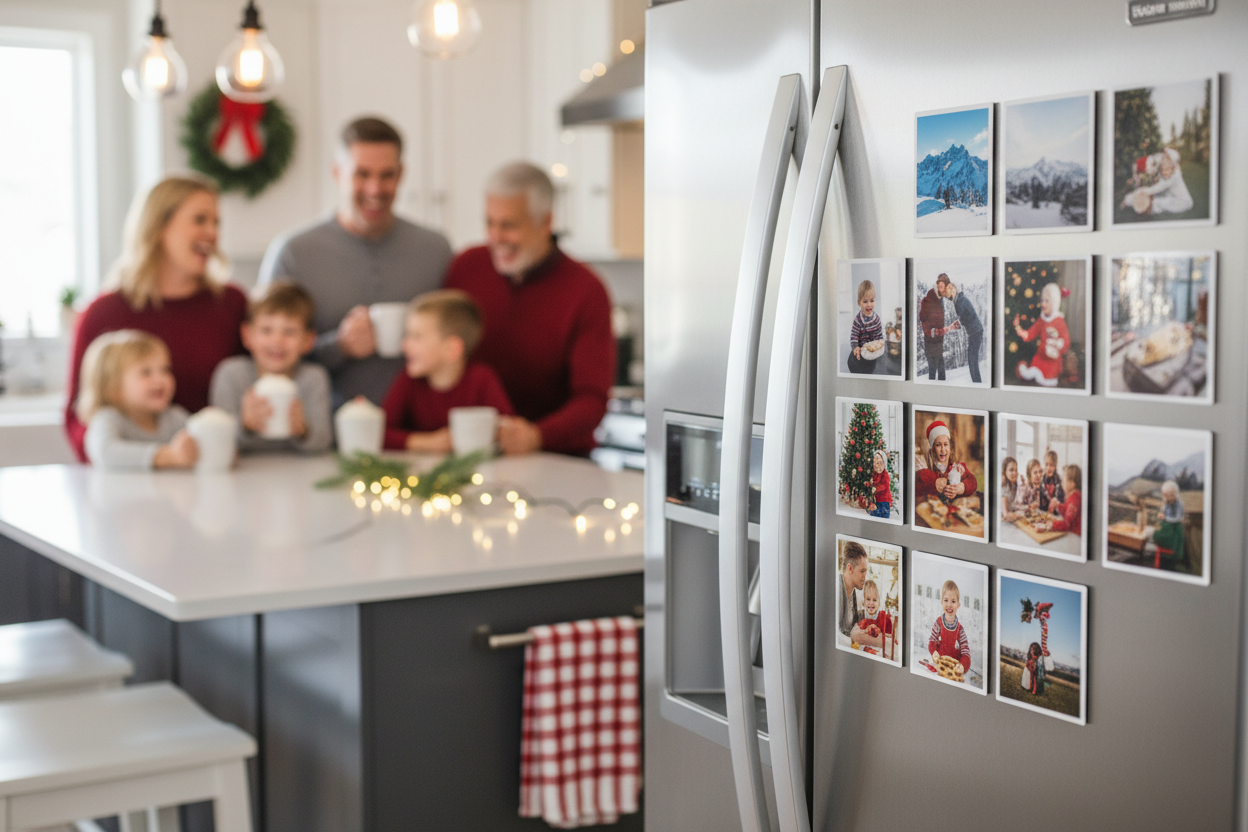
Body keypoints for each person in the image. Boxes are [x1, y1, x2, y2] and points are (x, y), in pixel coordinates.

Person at [257, 117, 454, 406]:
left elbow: (457, 346)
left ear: (401, 175)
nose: (375, 189)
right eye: (362, 174)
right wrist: (340, 346)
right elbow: (265, 356)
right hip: (325, 435)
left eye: (387, 175)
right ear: (337, 173)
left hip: (420, 434)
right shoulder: (294, 254)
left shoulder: (435, 250)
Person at [65, 176, 246, 461]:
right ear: (159, 227)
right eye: (200, 220)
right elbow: (78, 416)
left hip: (214, 469)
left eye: (216, 222)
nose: (212, 233)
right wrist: (142, 458)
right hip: (130, 482)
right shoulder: (104, 313)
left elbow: (250, 383)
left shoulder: (232, 304)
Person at [445, 162, 614, 456]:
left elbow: (592, 399)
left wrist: (537, 436)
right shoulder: (465, 269)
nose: (495, 238)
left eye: (508, 225)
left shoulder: (586, 290)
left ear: (545, 222)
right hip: (472, 454)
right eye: (489, 223)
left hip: (558, 458)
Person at [382, 290, 514, 453]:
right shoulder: (408, 381)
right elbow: (378, 433)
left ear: (451, 349)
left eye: (416, 337)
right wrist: (426, 443)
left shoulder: (482, 380)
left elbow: (508, 431)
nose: (405, 345)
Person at [209, 282, 333, 454]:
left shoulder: (313, 378)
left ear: (308, 340)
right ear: (247, 335)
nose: (277, 341)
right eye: (267, 330)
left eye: (289, 332)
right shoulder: (231, 375)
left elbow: (323, 441)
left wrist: (304, 430)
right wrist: (244, 425)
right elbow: (216, 439)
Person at [78, 330, 198, 470]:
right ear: (113, 387)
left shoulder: (174, 418)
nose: (160, 379)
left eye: (165, 370)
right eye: (146, 372)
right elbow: (105, 452)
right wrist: (168, 456)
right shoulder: (108, 419)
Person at [1013, 282, 1069, 387]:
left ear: (1054, 302)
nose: (1043, 304)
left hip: (1052, 361)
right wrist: (1021, 331)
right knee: (1035, 379)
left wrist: (1058, 344)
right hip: (1039, 358)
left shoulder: (1059, 321)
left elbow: (1065, 342)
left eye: (1046, 301)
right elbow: (1031, 333)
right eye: (1042, 300)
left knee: (1047, 382)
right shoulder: (1042, 319)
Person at [915, 420, 977, 504]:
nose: (943, 449)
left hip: (954, 508)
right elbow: (919, 479)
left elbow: (972, 481)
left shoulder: (957, 467)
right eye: (938, 445)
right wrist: (935, 482)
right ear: (932, 449)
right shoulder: (929, 467)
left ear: (950, 447)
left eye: (945, 444)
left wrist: (961, 488)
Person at [1123, 147, 1193, 216]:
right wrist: (1134, 178)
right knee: (1153, 196)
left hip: (1180, 199)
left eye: (1166, 156)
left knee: (1164, 202)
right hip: (1166, 192)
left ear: (1172, 166)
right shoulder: (1162, 161)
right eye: (1164, 155)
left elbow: (1159, 187)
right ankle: (1129, 199)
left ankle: (1146, 204)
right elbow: (1149, 164)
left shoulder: (1175, 174)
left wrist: (1145, 191)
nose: (1163, 157)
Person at [838, 541, 881, 648]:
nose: (865, 576)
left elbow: (852, 628)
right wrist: (855, 643)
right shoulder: (836, 590)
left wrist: (865, 631)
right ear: (850, 568)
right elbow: (834, 635)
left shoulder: (854, 593)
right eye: (862, 571)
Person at [943, 278, 983, 384]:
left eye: (948, 294)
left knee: (972, 360)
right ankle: (977, 382)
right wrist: (960, 322)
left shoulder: (961, 300)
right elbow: (965, 316)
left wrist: (960, 322)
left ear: (953, 290)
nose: (949, 297)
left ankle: (977, 384)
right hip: (973, 332)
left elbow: (968, 315)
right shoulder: (958, 301)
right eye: (947, 296)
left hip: (975, 331)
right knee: (972, 359)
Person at [928, 580, 971, 675]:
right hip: (939, 664)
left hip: (953, 668)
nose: (949, 605)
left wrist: (963, 665)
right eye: (946, 600)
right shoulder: (938, 623)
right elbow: (932, 640)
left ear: (958, 605)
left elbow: (965, 651)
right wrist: (934, 652)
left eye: (953, 601)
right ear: (942, 602)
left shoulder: (960, 629)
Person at [918, 274, 951, 381]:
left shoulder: (940, 300)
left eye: (945, 286)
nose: (943, 289)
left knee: (941, 371)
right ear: (937, 285)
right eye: (941, 285)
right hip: (931, 342)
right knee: (933, 370)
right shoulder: (928, 300)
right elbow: (923, 319)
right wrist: (932, 332)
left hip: (938, 341)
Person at [847, 280, 883, 374]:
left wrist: (879, 346)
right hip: (860, 354)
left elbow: (879, 337)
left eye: (872, 300)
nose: (869, 304)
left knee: (869, 371)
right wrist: (855, 348)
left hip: (871, 356)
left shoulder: (877, 320)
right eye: (865, 301)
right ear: (859, 302)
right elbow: (854, 337)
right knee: (856, 368)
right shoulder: (858, 320)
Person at [1039, 464, 1082, 536]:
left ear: (1072, 484)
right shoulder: (1074, 496)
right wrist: (1058, 505)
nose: (1062, 483)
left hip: (1075, 536)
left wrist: (1050, 525)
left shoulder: (1075, 499)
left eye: (1064, 481)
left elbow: (1066, 524)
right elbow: (1067, 512)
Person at [1151, 479, 1186, 564]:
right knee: (1156, 530)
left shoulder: (1179, 504)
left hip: (1174, 529)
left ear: (1173, 494)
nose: (1166, 498)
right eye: (1164, 496)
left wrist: (1165, 518)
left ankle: (1167, 550)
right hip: (1167, 526)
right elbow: (1163, 512)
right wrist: (1161, 514)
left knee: (1160, 535)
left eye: (1167, 496)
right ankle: (1157, 541)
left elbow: (1178, 519)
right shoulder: (1166, 503)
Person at [867, 450, 892, 519]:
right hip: (877, 500)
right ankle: (873, 510)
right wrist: (869, 484)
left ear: (884, 463)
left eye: (880, 463)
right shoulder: (874, 474)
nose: (878, 466)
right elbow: (873, 482)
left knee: (883, 512)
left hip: (885, 500)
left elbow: (884, 485)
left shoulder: (885, 475)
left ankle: (882, 512)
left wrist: (876, 489)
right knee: (874, 510)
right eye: (875, 463)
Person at [1000, 456, 1021, 523]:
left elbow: (1012, 506)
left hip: (1011, 520)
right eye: (1011, 470)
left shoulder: (1014, 485)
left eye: (1016, 470)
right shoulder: (1004, 488)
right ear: (1005, 471)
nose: (1014, 473)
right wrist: (1020, 515)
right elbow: (1006, 515)